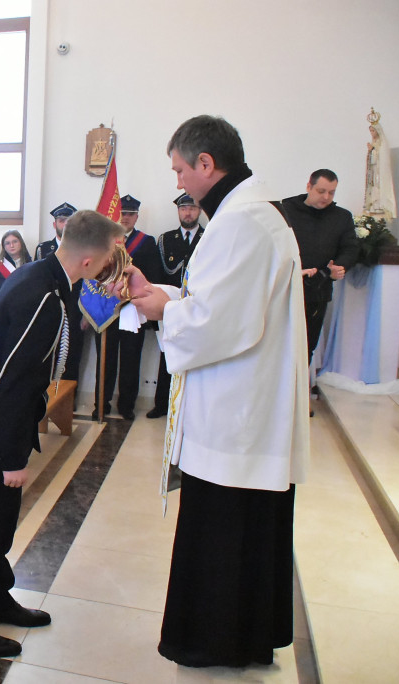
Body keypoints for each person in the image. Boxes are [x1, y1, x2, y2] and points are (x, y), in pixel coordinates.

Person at [126, 115, 309, 668]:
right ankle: (245, 638)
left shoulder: (244, 224)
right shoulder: (246, 216)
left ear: (208, 165)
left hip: (238, 416)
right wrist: (163, 292)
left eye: (181, 169)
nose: (179, 181)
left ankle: (214, 641)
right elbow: (218, 298)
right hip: (245, 407)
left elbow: (219, 324)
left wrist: (163, 309)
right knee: (246, 533)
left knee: (226, 534)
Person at [0, 209, 120, 658]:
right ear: (87, 261)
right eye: (102, 263)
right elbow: (10, 383)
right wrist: (11, 457)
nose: (101, 272)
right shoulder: (42, 294)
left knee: (0, 524)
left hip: (0, 423)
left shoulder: (49, 279)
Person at [92, 194, 162, 420]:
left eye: (130, 214)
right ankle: (101, 404)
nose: (125, 218)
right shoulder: (103, 242)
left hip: (133, 309)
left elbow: (152, 277)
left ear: (136, 217)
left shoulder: (146, 241)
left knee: (131, 359)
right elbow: (92, 277)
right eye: (122, 214)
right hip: (107, 309)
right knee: (106, 359)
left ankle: (127, 405)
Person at [281, 170, 359, 367]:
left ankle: (299, 394)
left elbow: (350, 248)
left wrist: (339, 267)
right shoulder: (285, 210)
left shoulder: (341, 217)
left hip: (319, 290)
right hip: (286, 288)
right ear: (309, 186)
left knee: (307, 345)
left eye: (331, 193)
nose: (326, 197)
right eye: (321, 191)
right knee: (282, 345)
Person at [148, 193, 203, 419]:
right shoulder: (165, 240)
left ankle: (190, 408)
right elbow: (158, 275)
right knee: (167, 355)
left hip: (197, 306)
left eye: (192, 208)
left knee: (195, 357)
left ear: (199, 210)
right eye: (183, 209)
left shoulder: (208, 236)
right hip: (169, 307)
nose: (187, 213)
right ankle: (162, 405)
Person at [35, 202, 85, 395]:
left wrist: (86, 314)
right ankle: (45, 395)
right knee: (47, 354)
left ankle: (68, 400)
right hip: (49, 310)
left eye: (69, 221)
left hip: (75, 310)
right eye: (61, 220)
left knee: (72, 356)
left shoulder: (83, 249)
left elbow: (88, 283)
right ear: (54, 223)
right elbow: (36, 281)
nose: (65, 224)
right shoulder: (43, 249)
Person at [0, 230, 31, 317]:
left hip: (26, 315)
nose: (11, 245)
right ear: (4, 247)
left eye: (15, 241)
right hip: (2, 316)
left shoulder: (32, 266)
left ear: (21, 243)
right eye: (7, 243)